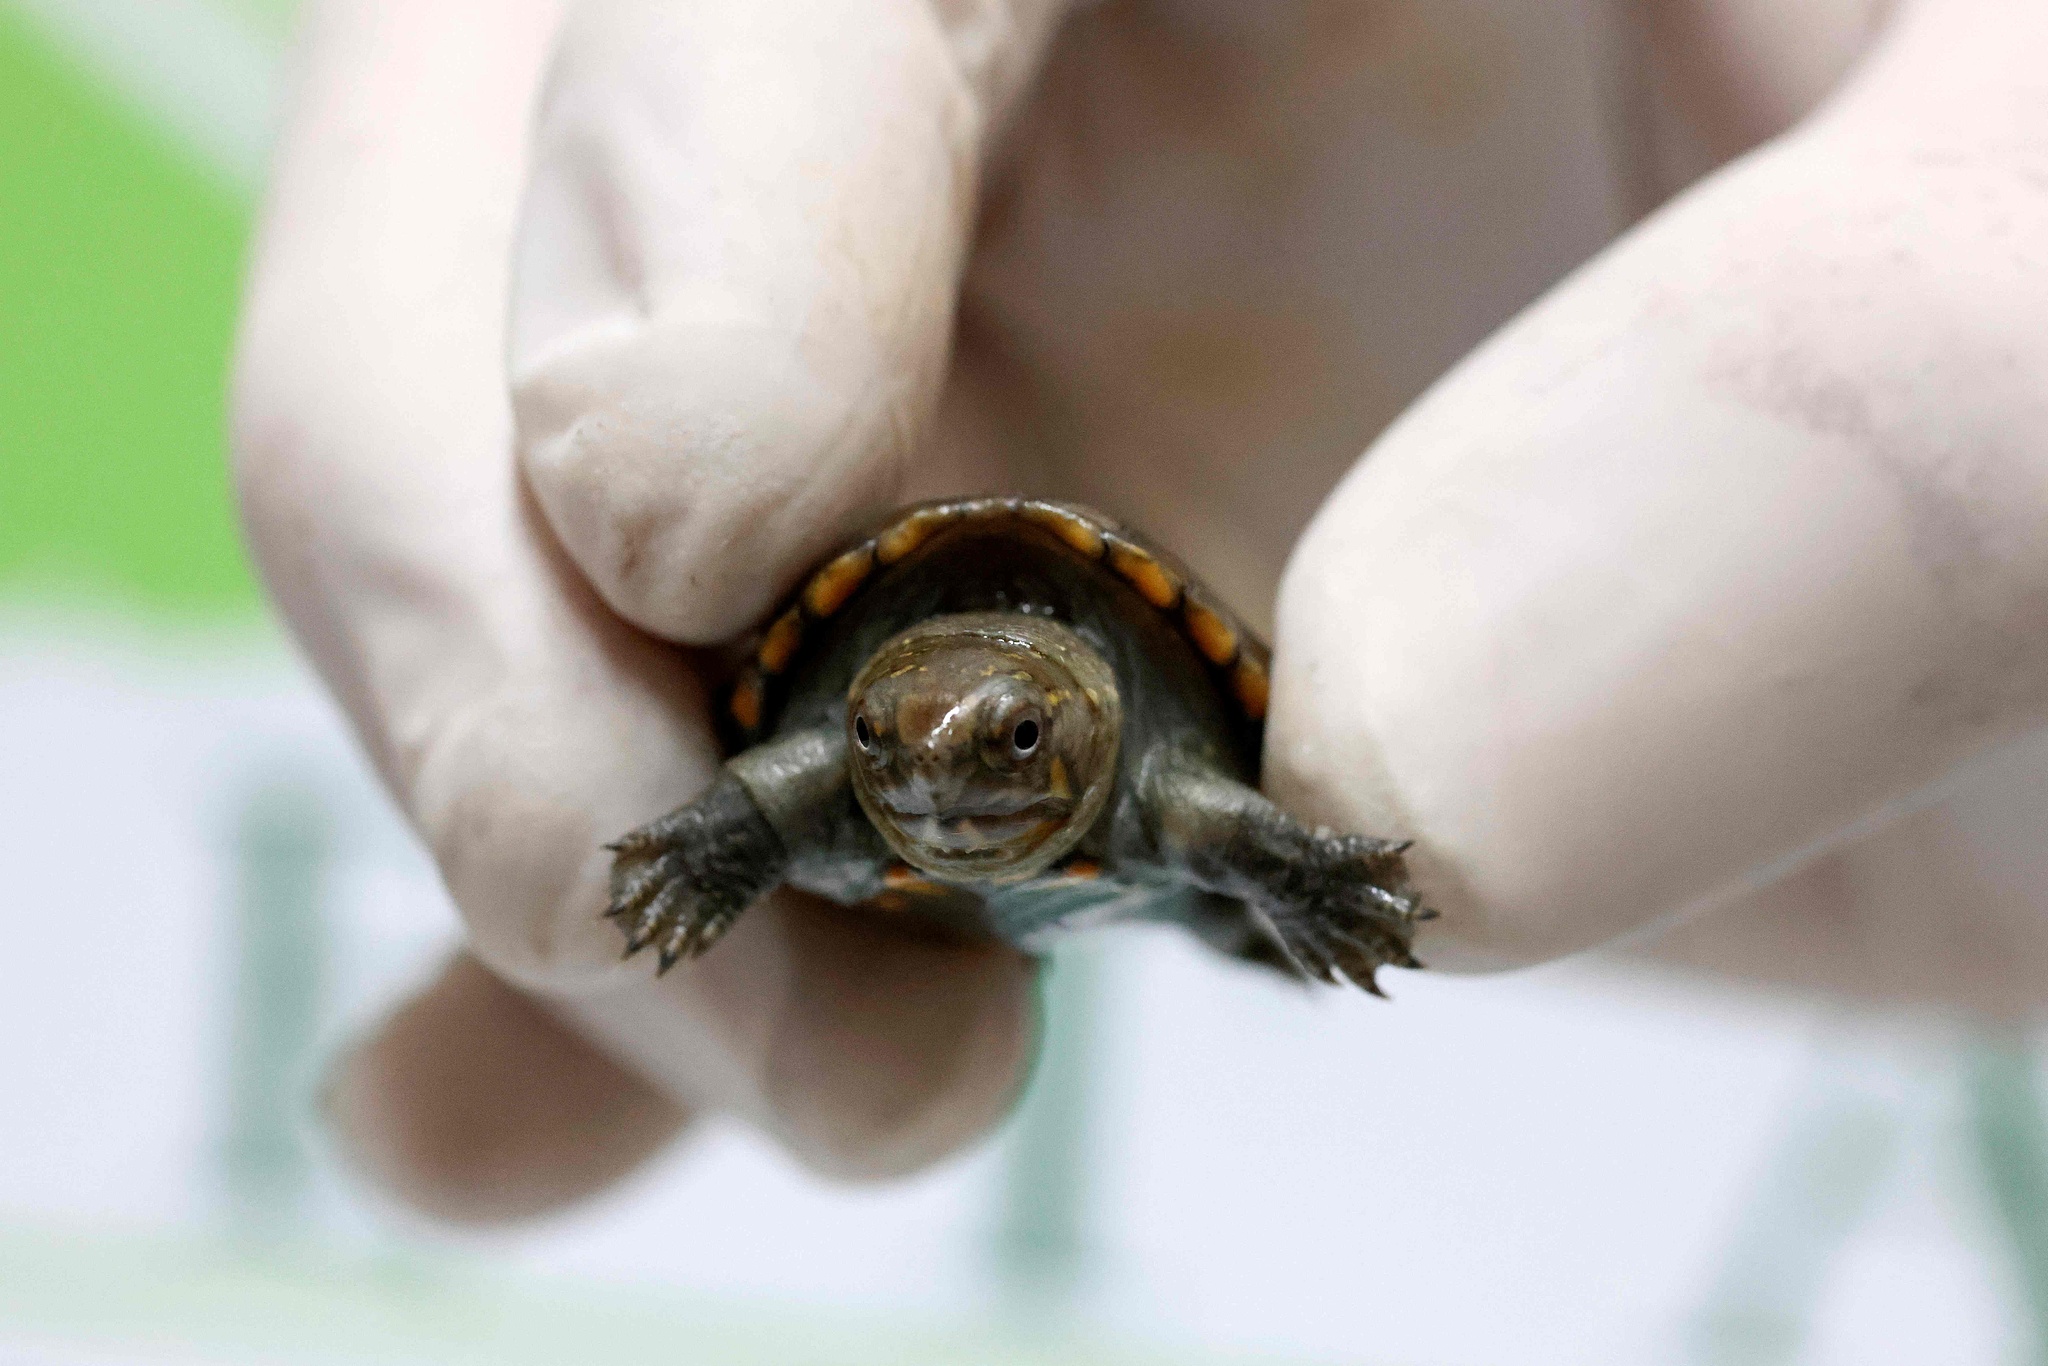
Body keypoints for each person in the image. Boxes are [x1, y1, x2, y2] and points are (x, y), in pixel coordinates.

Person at [232, 0, 2048, 1224]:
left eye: (1010, 742)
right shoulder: (868, 765)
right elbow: (779, 784)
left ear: (1077, 724)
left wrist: (1298, 890)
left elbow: (1212, 815)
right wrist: (716, 836)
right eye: (900, 751)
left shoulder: (1160, 774)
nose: (949, 777)